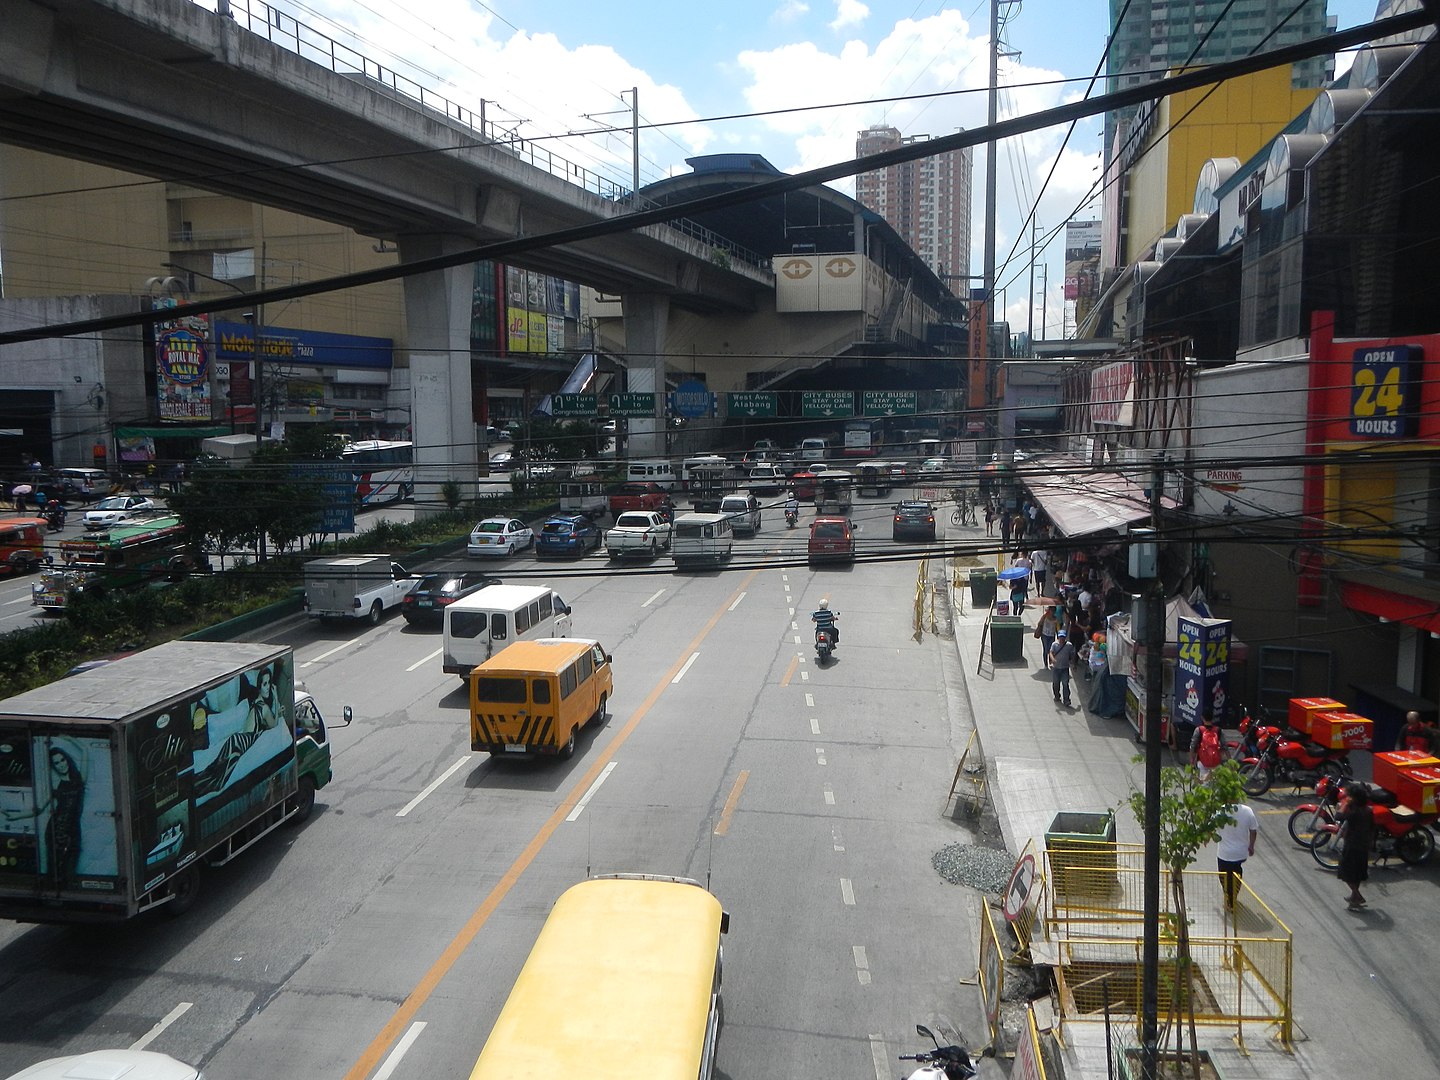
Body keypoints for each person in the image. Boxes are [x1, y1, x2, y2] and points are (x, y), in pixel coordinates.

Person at [1337, 784, 1374, 909]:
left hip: (1352, 846)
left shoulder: (1354, 813)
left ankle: (1357, 895)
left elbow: (1339, 816)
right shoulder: (1368, 811)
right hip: (1364, 846)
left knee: (1345, 872)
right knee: (1357, 874)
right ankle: (1354, 897)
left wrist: (1345, 804)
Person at [1216, 801, 1259, 907]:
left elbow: (1210, 828)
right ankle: (1234, 895)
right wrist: (1251, 846)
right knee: (1236, 873)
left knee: (1224, 875)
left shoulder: (1220, 811)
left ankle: (1228, 896)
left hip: (1224, 853)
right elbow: (1253, 830)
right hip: (1240, 853)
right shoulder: (1247, 811)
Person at [1191, 711, 1224, 780]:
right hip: (1215, 761)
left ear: (1202, 718)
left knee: (1203, 783)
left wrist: (1192, 761)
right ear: (1213, 718)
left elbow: (1193, 746)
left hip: (1202, 760)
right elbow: (1224, 747)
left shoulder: (1199, 730)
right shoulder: (1218, 730)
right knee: (1214, 783)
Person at [1049, 630, 1076, 707]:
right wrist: (1053, 659)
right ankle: (1057, 696)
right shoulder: (1054, 644)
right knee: (1056, 683)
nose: (1062, 639)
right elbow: (1050, 652)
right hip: (1056, 668)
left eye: (1063, 637)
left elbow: (1072, 654)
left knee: (1065, 683)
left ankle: (1066, 699)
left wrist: (1074, 664)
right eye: (1060, 637)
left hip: (1065, 668)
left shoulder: (1069, 645)